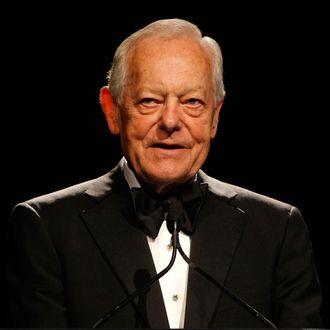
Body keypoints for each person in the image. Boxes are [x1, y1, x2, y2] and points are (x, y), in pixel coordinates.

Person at [4, 18, 323, 328]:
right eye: (149, 100)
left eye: (192, 101)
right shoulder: (46, 227)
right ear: (112, 111)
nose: (171, 121)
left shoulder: (277, 230)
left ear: (215, 116)